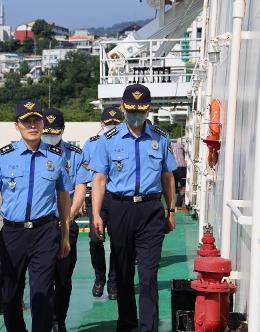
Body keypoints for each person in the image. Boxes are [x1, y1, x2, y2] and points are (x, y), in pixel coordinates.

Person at [91, 83, 177, 332]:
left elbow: (167, 177)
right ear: (123, 108)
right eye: (131, 110)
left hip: (151, 210)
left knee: (149, 275)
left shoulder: (160, 138)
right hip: (120, 209)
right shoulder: (108, 139)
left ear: (148, 109)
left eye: (141, 110)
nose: (136, 115)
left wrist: (171, 210)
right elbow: (99, 179)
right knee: (124, 273)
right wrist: (96, 213)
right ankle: (127, 325)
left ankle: (148, 327)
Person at [0, 99, 72, 332]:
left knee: (42, 294)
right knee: (10, 296)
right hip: (13, 233)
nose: (32, 125)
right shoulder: (2, 156)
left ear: (42, 123)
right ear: (17, 125)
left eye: (36, 120)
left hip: (45, 232)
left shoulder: (56, 156)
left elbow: (63, 197)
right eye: (27, 121)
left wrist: (65, 236)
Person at [41, 107, 92, 332]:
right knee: (42, 278)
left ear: (62, 130)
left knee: (63, 279)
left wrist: (69, 216)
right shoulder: (34, 152)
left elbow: (80, 188)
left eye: (55, 131)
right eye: (47, 131)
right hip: (41, 225)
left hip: (66, 224)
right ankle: (46, 321)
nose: (50, 135)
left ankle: (58, 320)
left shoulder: (75, 153)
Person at [82, 105, 123, 300]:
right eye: (109, 124)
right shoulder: (91, 144)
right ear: (101, 124)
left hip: (116, 196)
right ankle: (99, 277)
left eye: (116, 123)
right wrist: (80, 196)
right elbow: (82, 173)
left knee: (118, 241)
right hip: (95, 196)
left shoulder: (126, 143)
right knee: (95, 239)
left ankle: (113, 282)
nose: (112, 127)